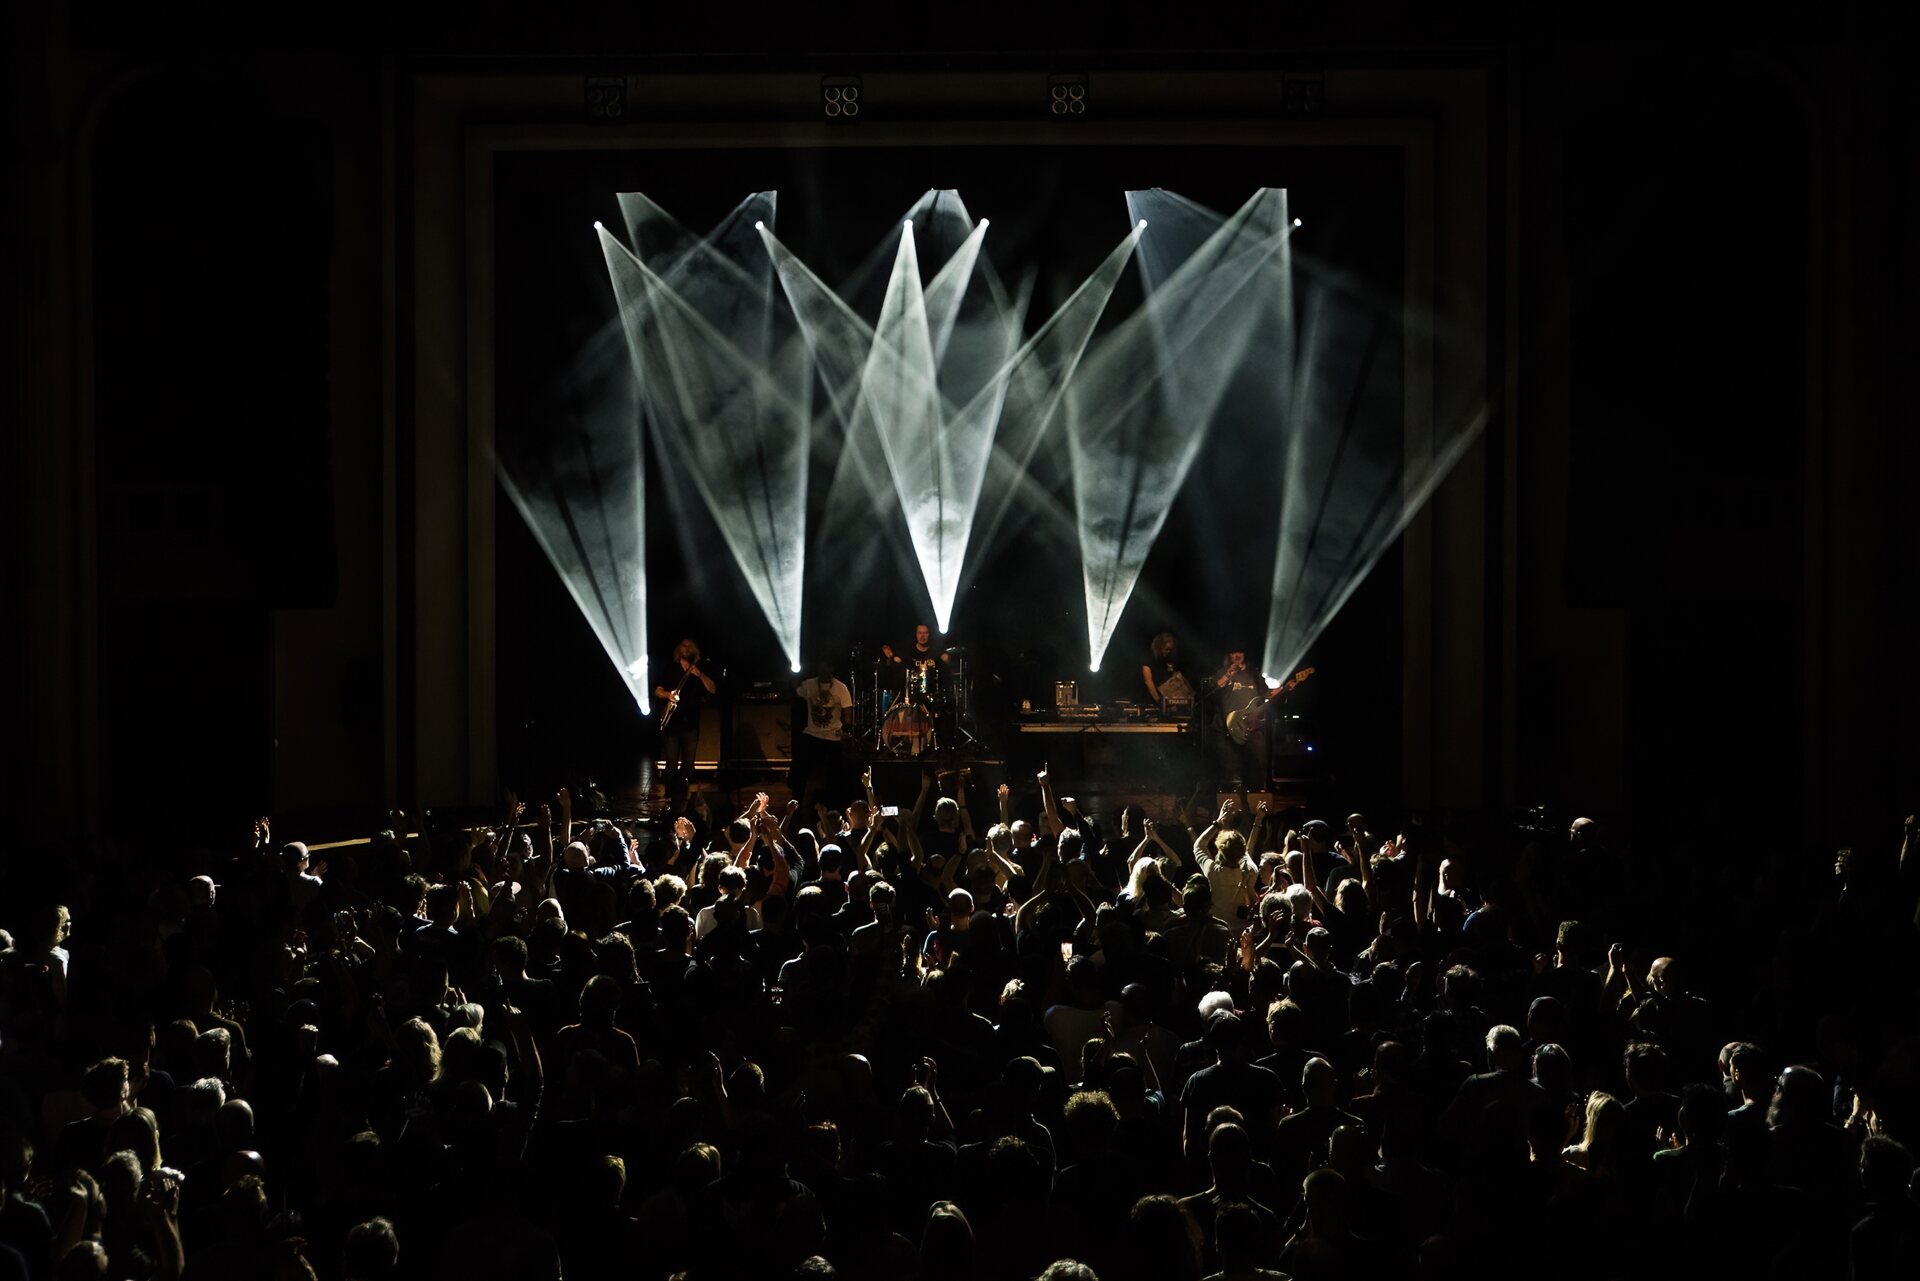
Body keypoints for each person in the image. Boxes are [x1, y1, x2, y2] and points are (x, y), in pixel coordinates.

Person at [652, 638, 716, 807]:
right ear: (678, 649)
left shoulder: (699, 669)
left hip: (691, 723)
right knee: (671, 763)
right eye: (683, 645)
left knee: (688, 764)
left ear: (694, 649)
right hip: (672, 724)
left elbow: (713, 689)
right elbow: (657, 690)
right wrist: (668, 695)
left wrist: (700, 674)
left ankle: (682, 796)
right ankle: (669, 797)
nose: (686, 648)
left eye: (689, 646)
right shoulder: (670, 668)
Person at [791, 658, 854, 812]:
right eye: (822, 667)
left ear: (832, 669)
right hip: (812, 735)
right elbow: (795, 690)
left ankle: (834, 806)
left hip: (833, 737)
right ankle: (799, 805)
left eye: (827, 667)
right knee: (803, 770)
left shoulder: (840, 688)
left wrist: (846, 732)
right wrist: (795, 675)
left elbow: (848, 712)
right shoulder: (809, 685)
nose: (824, 670)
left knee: (835, 775)